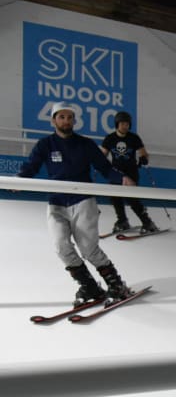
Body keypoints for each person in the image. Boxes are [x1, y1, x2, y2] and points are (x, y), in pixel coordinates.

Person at [17, 101, 136, 305]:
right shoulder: (45, 144)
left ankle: (116, 285)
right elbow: (31, 166)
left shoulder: (85, 144)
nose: (66, 121)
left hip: (83, 200)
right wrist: (19, 180)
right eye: (62, 117)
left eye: (70, 117)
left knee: (88, 248)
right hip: (56, 202)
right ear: (54, 120)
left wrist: (121, 178)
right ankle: (89, 286)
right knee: (61, 246)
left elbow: (104, 167)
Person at [100, 110, 158, 234]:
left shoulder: (134, 138)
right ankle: (122, 220)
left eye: (127, 124)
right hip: (115, 173)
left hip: (131, 172)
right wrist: (99, 161)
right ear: (117, 124)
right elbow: (102, 154)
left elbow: (144, 153)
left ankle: (148, 223)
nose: (125, 126)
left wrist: (143, 158)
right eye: (122, 124)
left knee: (132, 199)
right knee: (115, 198)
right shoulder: (110, 138)